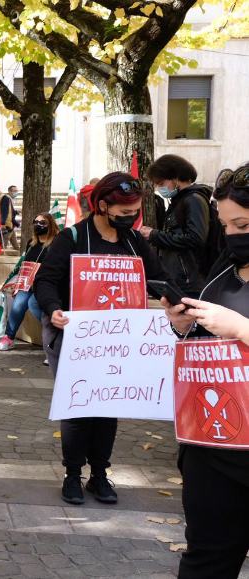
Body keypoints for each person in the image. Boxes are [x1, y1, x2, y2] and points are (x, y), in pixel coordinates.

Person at [33, 172, 174, 506]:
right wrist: (53, 309)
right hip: (75, 338)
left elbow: (158, 279)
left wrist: (176, 301)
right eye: (124, 213)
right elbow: (45, 281)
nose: (131, 219)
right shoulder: (72, 238)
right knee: (78, 407)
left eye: (135, 213)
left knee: (108, 407)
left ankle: (99, 474)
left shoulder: (134, 242)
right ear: (102, 206)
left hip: (118, 342)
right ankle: (72, 475)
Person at [163, 163, 249, 579]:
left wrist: (242, 329)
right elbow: (207, 339)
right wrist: (185, 325)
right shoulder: (226, 265)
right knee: (206, 560)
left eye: (242, 225)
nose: (232, 235)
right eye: (225, 225)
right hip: (212, 448)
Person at [142, 154, 215, 296]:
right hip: (179, 279)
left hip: (190, 282)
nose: (158, 188)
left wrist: (154, 235)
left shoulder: (193, 200)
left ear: (175, 178)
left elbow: (195, 238)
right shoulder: (179, 201)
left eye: (161, 183)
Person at [0, 212, 59, 351]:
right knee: (19, 303)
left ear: (50, 225)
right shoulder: (31, 243)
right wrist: (17, 284)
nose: (38, 225)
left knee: (33, 303)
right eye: (36, 222)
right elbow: (24, 265)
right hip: (27, 285)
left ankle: (55, 336)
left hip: (46, 285)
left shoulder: (56, 243)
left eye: (42, 223)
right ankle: (9, 337)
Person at [0, 185, 20, 250]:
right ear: (9, 191)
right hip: (7, 226)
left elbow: (10, 212)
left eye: (17, 191)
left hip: (11, 226)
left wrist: (15, 212)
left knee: (16, 246)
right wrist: (17, 224)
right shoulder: (6, 198)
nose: (16, 192)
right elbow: (6, 212)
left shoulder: (10, 199)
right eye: (14, 191)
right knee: (3, 246)